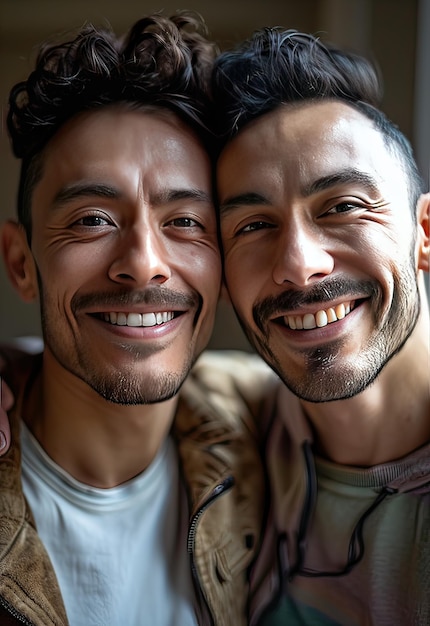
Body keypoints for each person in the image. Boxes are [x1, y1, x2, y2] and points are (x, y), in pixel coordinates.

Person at [0, 13, 272, 626]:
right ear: (21, 263)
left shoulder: (269, 441)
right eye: (92, 219)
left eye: (186, 222)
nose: (144, 265)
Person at [212, 28, 430, 625]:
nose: (298, 265)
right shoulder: (231, 430)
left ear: (425, 233)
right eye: (254, 226)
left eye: (342, 206)